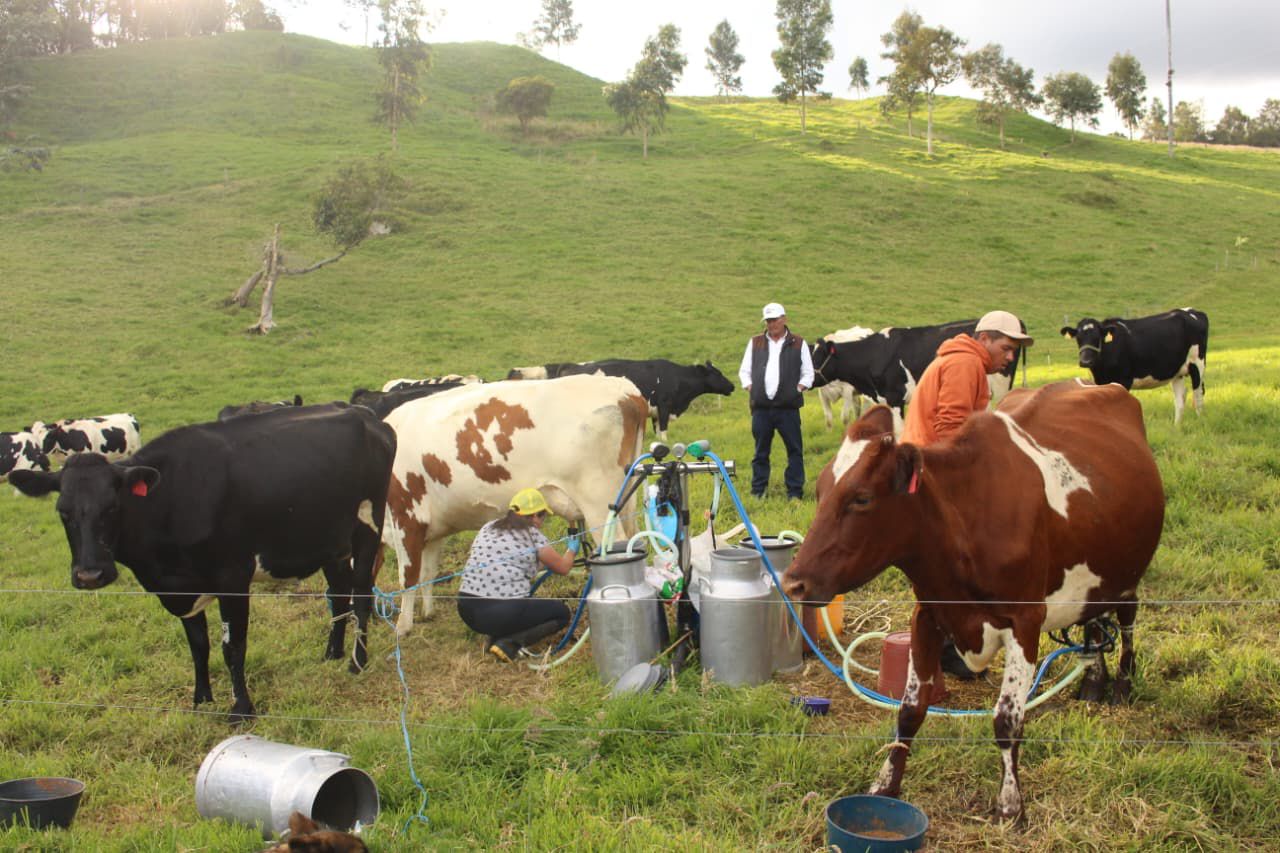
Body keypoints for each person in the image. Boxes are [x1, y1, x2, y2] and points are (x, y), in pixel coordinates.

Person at [901, 310, 1034, 677]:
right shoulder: (965, 364)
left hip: (926, 470)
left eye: (1014, 351)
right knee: (949, 565)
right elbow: (951, 427)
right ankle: (949, 650)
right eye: (1006, 348)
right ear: (984, 339)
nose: (1010, 357)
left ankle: (947, 647)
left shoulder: (961, 360)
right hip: (935, 476)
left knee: (942, 566)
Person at [456, 487, 580, 663]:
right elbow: (564, 568)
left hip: (467, 609)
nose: (542, 522)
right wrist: (571, 550)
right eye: (543, 516)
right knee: (561, 613)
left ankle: (494, 636)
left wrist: (544, 561)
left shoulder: (488, 527)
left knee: (515, 607)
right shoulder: (533, 535)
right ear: (535, 516)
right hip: (502, 613)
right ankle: (509, 643)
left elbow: (515, 564)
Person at [738, 302, 814, 500]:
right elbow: (744, 371)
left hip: (788, 408)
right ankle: (758, 491)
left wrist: (796, 390)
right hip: (761, 409)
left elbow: (808, 374)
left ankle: (795, 493)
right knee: (760, 452)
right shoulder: (755, 342)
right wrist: (752, 388)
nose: (771, 324)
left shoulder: (798, 343)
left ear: (784, 319)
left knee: (794, 451)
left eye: (774, 320)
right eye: (768, 321)